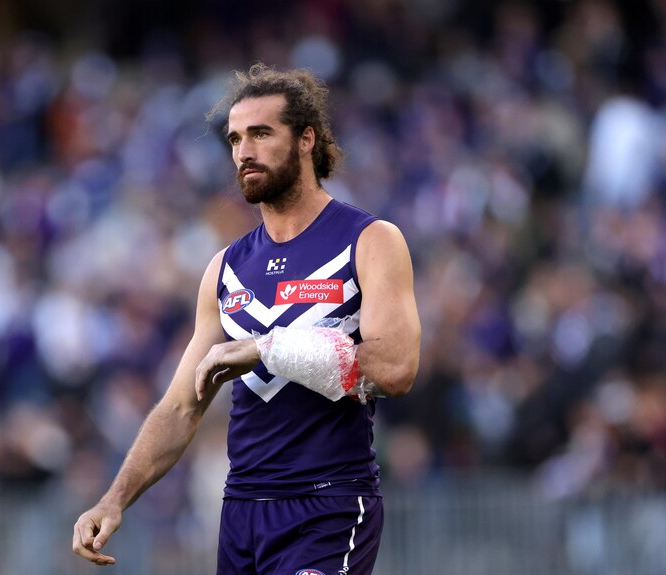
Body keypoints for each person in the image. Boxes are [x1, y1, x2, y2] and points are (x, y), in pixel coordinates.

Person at [72, 63, 421, 574]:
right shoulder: (225, 270)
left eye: (260, 133)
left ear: (306, 139)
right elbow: (179, 408)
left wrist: (265, 347)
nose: (243, 151)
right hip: (241, 513)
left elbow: (395, 368)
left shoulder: (370, 240)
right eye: (235, 139)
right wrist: (114, 498)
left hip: (328, 506)